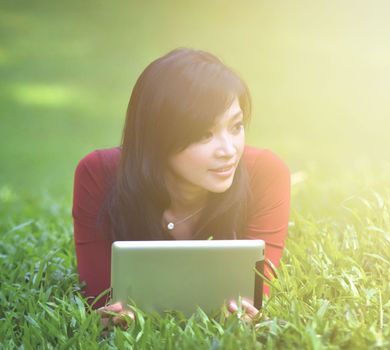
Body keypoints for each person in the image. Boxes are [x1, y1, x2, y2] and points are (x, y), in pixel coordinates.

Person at [72, 48, 291, 329]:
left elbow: (255, 298)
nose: (228, 150)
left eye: (236, 127)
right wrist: (112, 318)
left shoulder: (265, 173)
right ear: (158, 137)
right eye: (204, 134)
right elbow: (101, 302)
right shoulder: (98, 174)